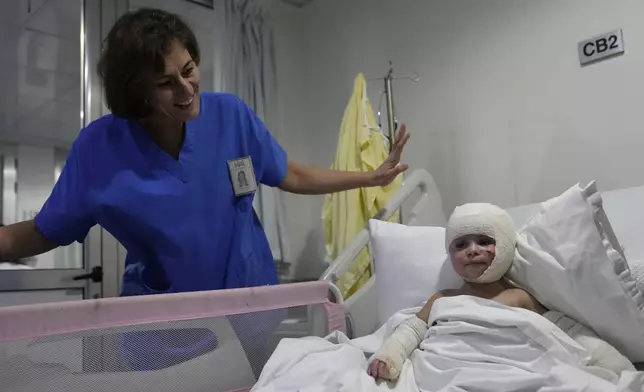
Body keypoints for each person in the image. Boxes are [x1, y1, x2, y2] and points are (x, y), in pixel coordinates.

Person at [0, 8, 409, 371]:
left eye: (189, 68)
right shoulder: (99, 150)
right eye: (165, 81)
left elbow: (290, 174)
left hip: (248, 309)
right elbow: (43, 231)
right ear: (136, 91)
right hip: (162, 327)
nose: (186, 88)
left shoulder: (230, 115)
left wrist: (370, 178)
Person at [367, 203, 634, 381]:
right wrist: (389, 357)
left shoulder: (519, 297)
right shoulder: (443, 298)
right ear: (450, 254)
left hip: (512, 371)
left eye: (485, 241)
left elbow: (568, 331)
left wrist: (612, 362)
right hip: (449, 370)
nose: (473, 250)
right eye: (461, 245)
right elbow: (411, 331)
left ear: (505, 247)